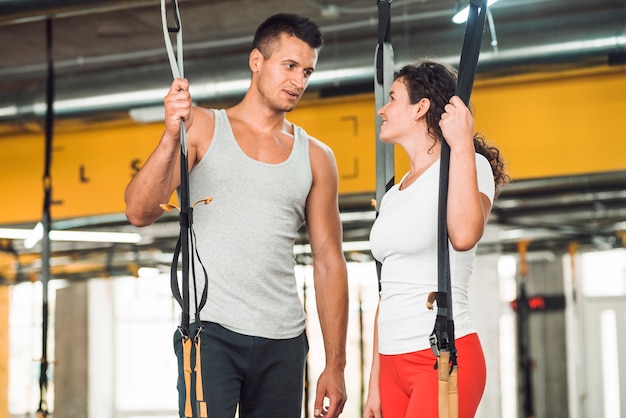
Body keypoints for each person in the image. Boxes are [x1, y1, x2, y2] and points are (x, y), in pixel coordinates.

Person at [124, 13, 349, 418]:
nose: (299, 81)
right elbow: (139, 212)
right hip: (211, 333)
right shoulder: (203, 129)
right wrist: (170, 136)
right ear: (256, 61)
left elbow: (329, 261)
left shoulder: (317, 156)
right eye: (290, 66)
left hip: (285, 340)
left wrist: (336, 364)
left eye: (308, 71)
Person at [363, 60, 509, 418]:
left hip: (440, 355)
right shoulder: (393, 192)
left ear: (421, 107)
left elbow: (463, 236)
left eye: (393, 98)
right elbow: (389, 291)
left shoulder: (467, 164)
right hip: (391, 363)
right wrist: (374, 385)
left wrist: (459, 144)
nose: (382, 109)